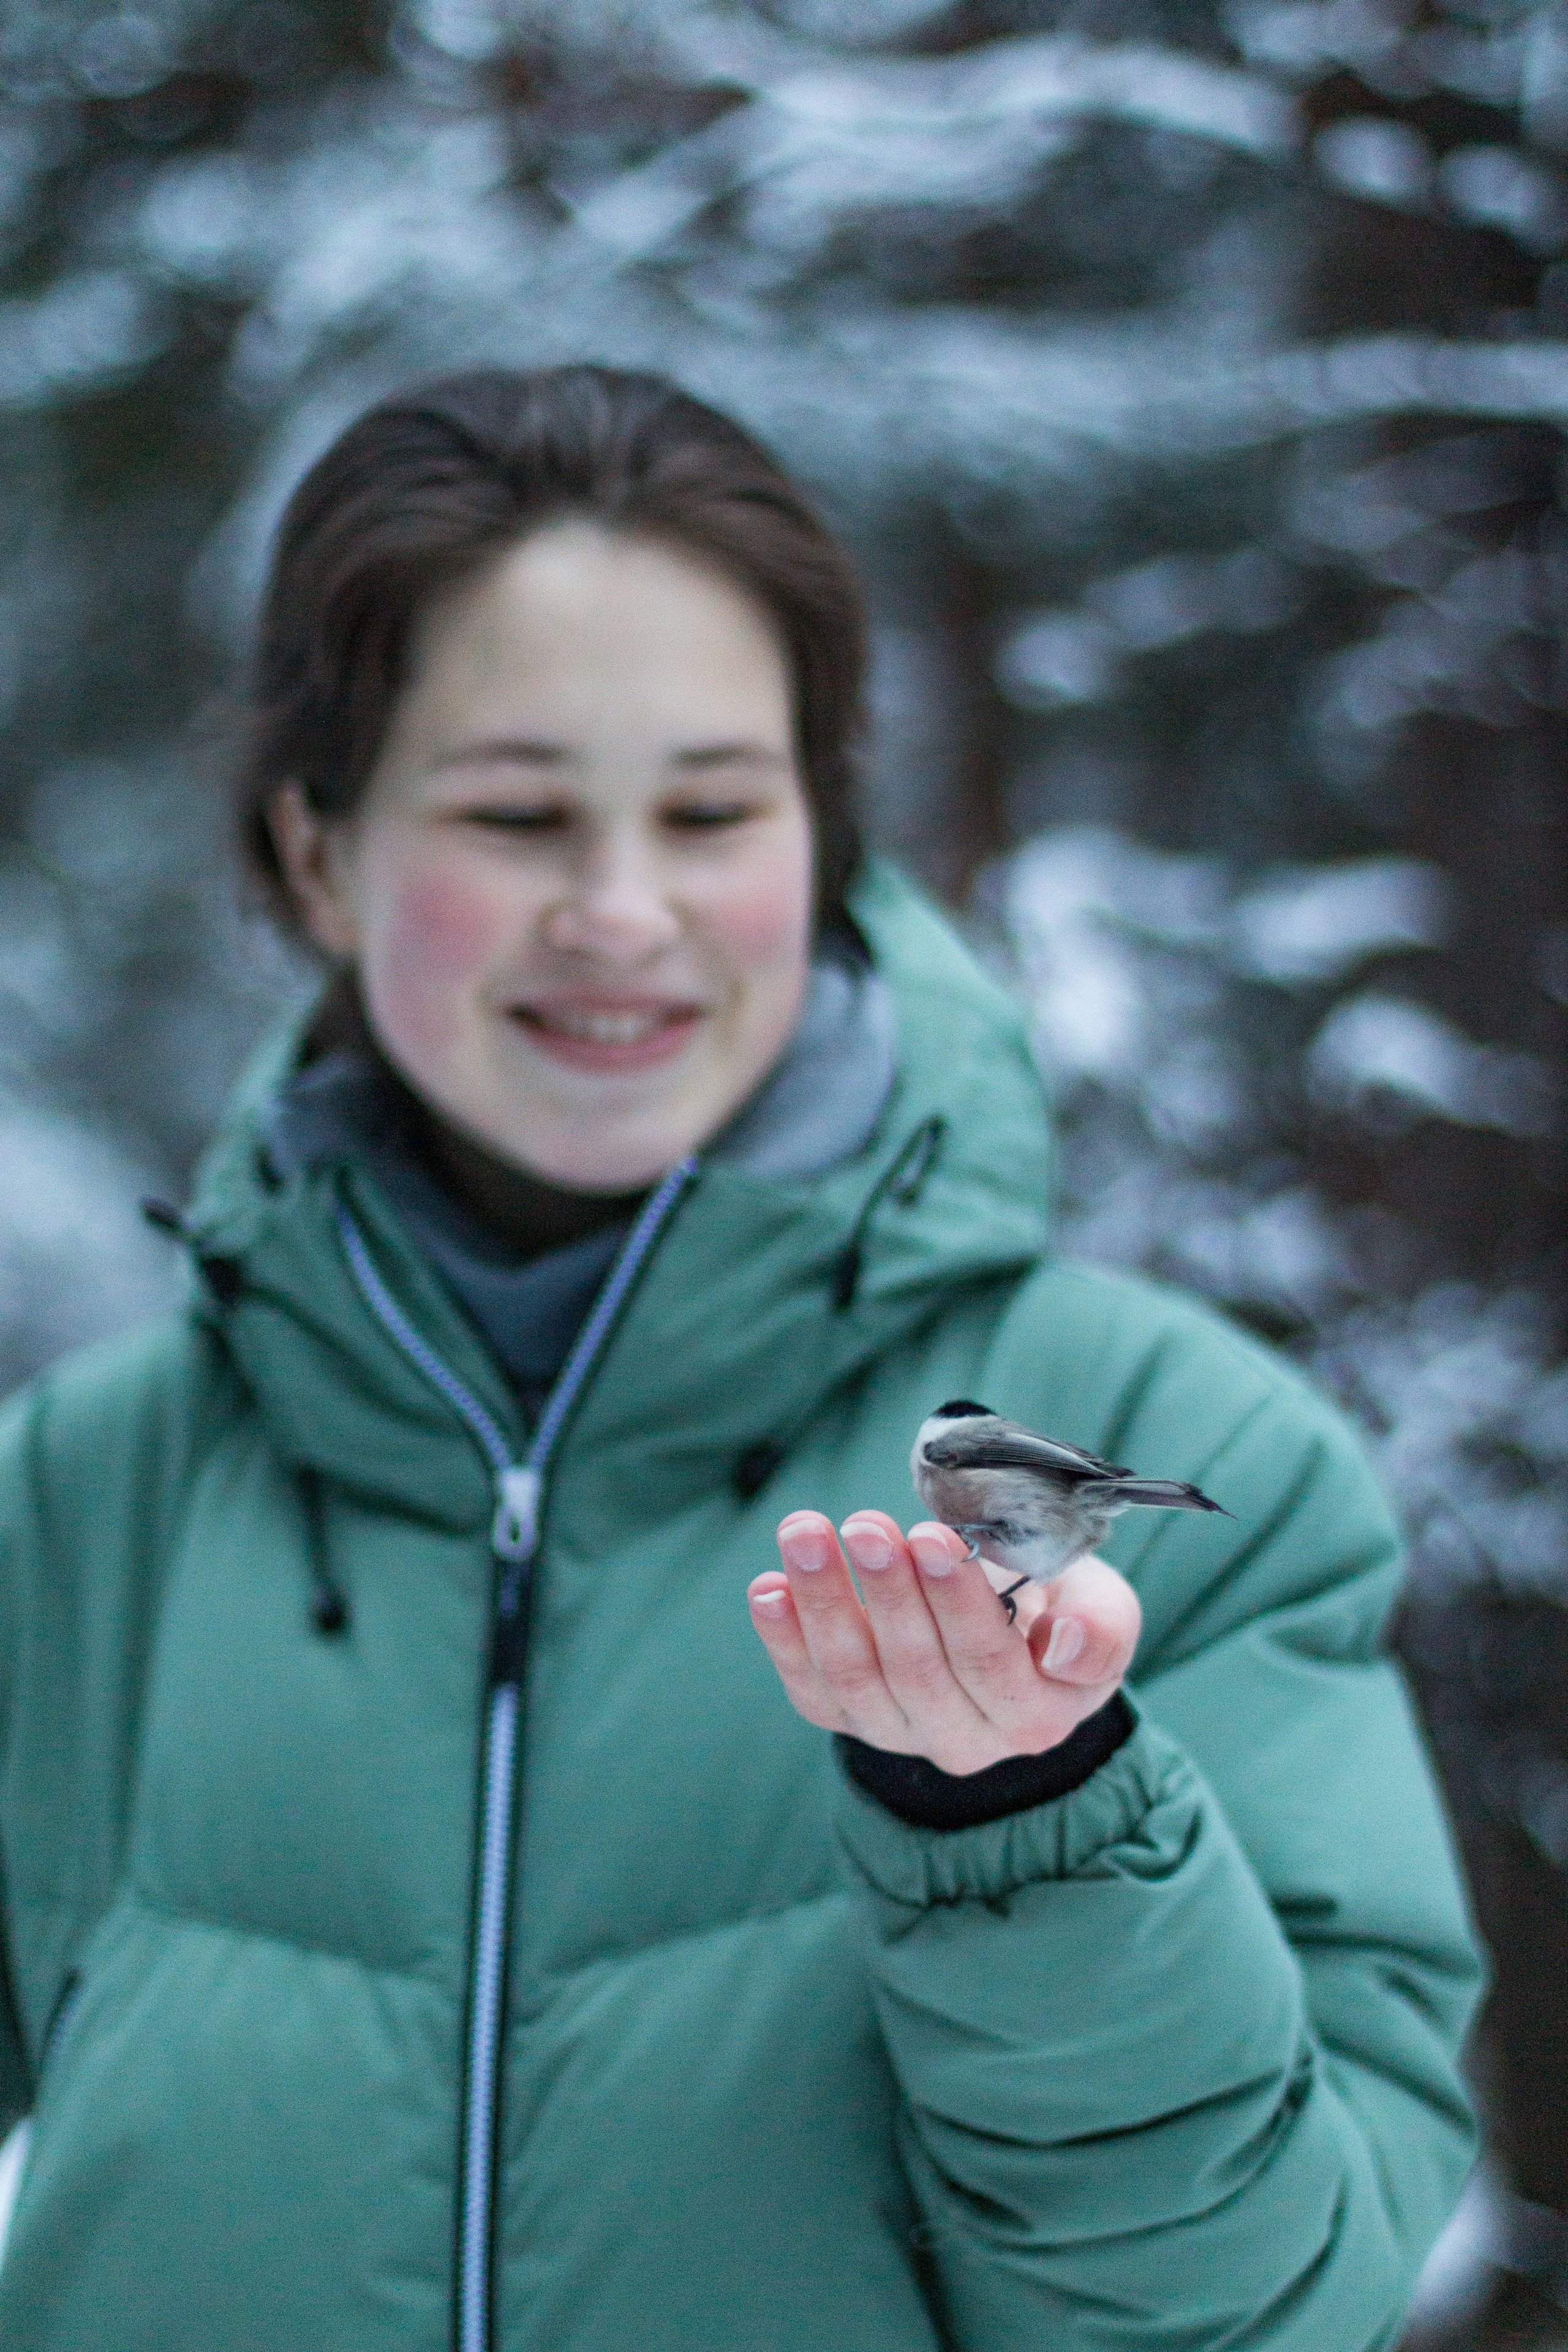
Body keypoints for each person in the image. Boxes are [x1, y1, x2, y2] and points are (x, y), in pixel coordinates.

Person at [0, 364, 1480, 2352]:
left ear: (825, 835)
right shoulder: (83, 1503)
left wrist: (1030, 1836)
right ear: (320, 849)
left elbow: (1252, 2309)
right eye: (519, 811)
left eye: (711, 809)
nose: (624, 912)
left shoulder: (1205, 1457)